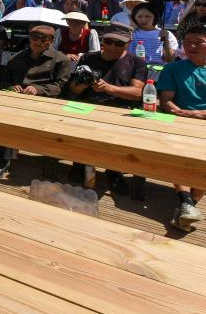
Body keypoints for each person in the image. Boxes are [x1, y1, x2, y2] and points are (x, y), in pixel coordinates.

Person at [66, 24, 147, 193]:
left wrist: (109, 88)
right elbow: (73, 89)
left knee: (117, 136)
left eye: (118, 43)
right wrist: (82, 84)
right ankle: (80, 163)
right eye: (108, 41)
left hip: (119, 110)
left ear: (128, 43)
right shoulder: (88, 57)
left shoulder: (136, 62)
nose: (111, 46)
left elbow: (137, 93)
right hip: (87, 106)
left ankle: (114, 171)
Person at [0, 24, 74, 179]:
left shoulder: (60, 60)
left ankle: (50, 159)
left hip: (47, 104)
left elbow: (61, 86)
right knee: (4, 118)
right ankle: (4, 160)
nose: (37, 42)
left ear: (51, 41)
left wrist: (39, 89)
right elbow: (3, 80)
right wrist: (11, 87)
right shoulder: (17, 57)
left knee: (53, 123)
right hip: (18, 102)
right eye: (34, 38)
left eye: (43, 39)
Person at [158, 24, 206, 231]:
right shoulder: (172, 68)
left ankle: (186, 205)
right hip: (179, 120)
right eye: (187, 42)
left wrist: (199, 114)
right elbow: (166, 101)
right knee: (178, 157)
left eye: (198, 42)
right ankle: (188, 204)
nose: (191, 46)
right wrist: (182, 114)